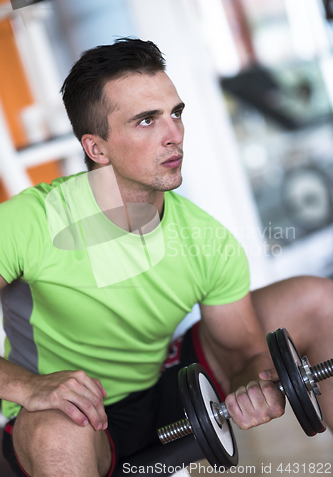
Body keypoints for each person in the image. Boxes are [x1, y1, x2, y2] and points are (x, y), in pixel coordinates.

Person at [0, 38, 332, 477]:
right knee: (61, 432)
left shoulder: (206, 238)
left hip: (165, 386)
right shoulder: (30, 221)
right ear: (96, 148)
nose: (173, 134)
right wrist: (29, 386)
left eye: (175, 113)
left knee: (319, 300)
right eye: (145, 121)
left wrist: (253, 384)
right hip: (71, 416)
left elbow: (241, 353)